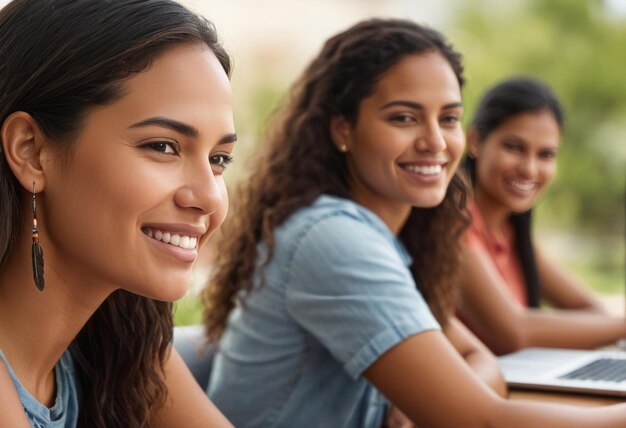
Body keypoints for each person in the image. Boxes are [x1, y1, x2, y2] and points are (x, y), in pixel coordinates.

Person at [202, 18, 626, 428]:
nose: (436, 142)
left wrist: (427, 406)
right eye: (404, 117)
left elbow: (479, 358)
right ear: (343, 129)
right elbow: (479, 419)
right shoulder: (333, 239)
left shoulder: (389, 241)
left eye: (448, 118)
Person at [0, 0, 236, 426]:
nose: (209, 197)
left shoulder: (120, 336)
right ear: (31, 152)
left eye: (219, 159)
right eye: (163, 146)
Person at [459, 77, 626, 355]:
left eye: (546, 155)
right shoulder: (452, 223)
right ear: (475, 141)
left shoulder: (510, 232)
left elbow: (590, 308)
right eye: (514, 147)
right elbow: (512, 330)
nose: (530, 169)